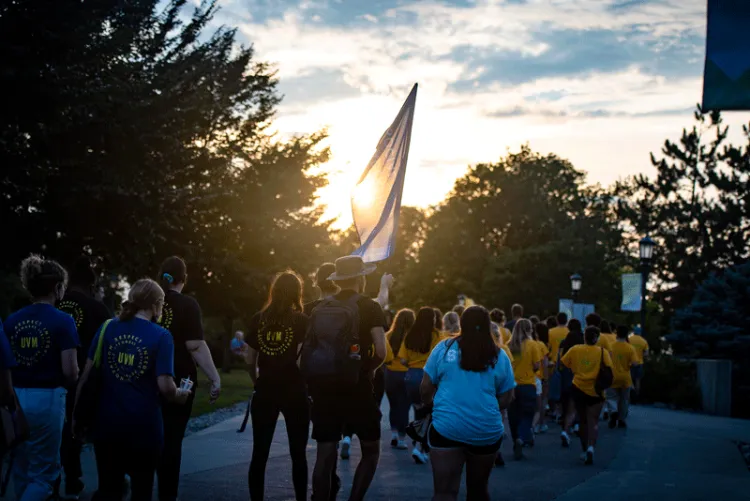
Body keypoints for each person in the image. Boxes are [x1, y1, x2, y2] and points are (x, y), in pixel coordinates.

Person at [77, 279, 190, 500]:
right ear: (156, 305)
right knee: (142, 491)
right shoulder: (162, 336)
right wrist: (180, 395)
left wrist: (77, 415)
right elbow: (166, 387)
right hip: (143, 430)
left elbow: (87, 374)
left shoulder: (107, 328)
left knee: (109, 490)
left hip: (107, 426)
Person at [308, 256, 387, 501]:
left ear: (338, 280)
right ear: (361, 278)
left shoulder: (319, 307)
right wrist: (370, 368)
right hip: (357, 386)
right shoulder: (369, 306)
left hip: (325, 387)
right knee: (371, 450)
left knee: (325, 453)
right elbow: (381, 351)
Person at [3, 255, 79, 501]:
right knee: (44, 475)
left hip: (16, 398)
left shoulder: (12, 321)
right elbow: (70, 370)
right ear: (57, 288)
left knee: (21, 470)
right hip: (47, 398)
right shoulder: (64, 321)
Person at [420, 306, 515, 501]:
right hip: (486, 429)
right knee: (478, 491)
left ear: (462, 324)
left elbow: (425, 388)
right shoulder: (499, 355)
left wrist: (432, 406)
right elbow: (507, 397)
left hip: (447, 427)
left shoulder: (444, 349)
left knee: (444, 492)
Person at [156, 256, 221, 501]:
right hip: (178, 380)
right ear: (184, 278)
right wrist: (214, 377)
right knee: (172, 441)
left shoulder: (147, 302)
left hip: (147, 378)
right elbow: (194, 346)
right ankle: (166, 494)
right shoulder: (188, 305)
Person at [244, 272, 309, 501]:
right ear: (297, 293)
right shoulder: (302, 320)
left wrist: (256, 381)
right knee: (298, 453)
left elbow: (249, 359)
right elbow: (301, 362)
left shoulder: (258, 319)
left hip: (266, 391)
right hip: (294, 391)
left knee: (259, 453)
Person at [58, 256, 112, 499]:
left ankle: (62, 480)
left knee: (58, 432)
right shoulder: (97, 309)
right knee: (88, 430)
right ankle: (103, 482)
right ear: (91, 285)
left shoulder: (56, 304)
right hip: (88, 378)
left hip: (56, 376)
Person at [561, 326, 613, 465]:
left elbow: (564, 362)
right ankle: (591, 448)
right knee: (593, 422)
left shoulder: (576, 349)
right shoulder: (603, 352)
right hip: (596, 391)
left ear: (584, 337)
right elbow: (609, 368)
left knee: (583, 421)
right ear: (596, 338)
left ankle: (584, 449)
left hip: (578, 387)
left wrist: (575, 369)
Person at [399, 307, 443, 464]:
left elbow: (403, 360)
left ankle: (419, 445)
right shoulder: (437, 336)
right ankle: (421, 447)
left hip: (411, 377)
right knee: (430, 413)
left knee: (420, 411)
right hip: (429, 376)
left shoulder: (409, 335)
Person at [507, 319, 542, 459]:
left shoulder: (509, 345)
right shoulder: (532, 345)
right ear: (529, 329)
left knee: (513, 416)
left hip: (511, 386)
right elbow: (536, 366)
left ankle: (516, 440)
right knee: (527, 414)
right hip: (528, 384)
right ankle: (521, 437)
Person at [383, 309, 415, 449]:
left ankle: (394, 434)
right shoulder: (413, 337)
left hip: (391, 374)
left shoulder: (388, 335)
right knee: (404, 408)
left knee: (393, 406)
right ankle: (402, 439)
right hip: (407, 374)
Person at [558, 319, 584, 447]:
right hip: (580, 376)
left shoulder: (565, 342)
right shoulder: (583, 342)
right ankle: (577, 424)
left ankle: (565, 424)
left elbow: (561, 361)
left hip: (567, 374)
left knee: (567, 400)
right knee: (578, 402)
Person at [607, 326, 638, 429]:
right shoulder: (630, 347)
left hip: (612, 376)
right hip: (625, 377)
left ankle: (613, 412)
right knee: (624, 399)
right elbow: (634, 363)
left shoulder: (610, 346)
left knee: (611, 397)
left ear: (617, 334)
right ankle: (621, 419)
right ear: (626, 335)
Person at [532, 322, 550, 434]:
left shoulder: (522, 344)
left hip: (523, 378)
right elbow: (545, 364)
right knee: (541, 402)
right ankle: (540, 424)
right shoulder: (541, 345)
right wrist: (546, 378)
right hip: (540, 377)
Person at [628, 326, 649, 398]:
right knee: (637, 380)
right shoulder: (644, 341)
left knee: (629, 379)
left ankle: (629, 394)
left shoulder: (629, 339)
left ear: (634, 331)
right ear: (640, 332)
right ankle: (636, 396)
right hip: (639, 363)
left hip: (630, 363)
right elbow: (646, 354)